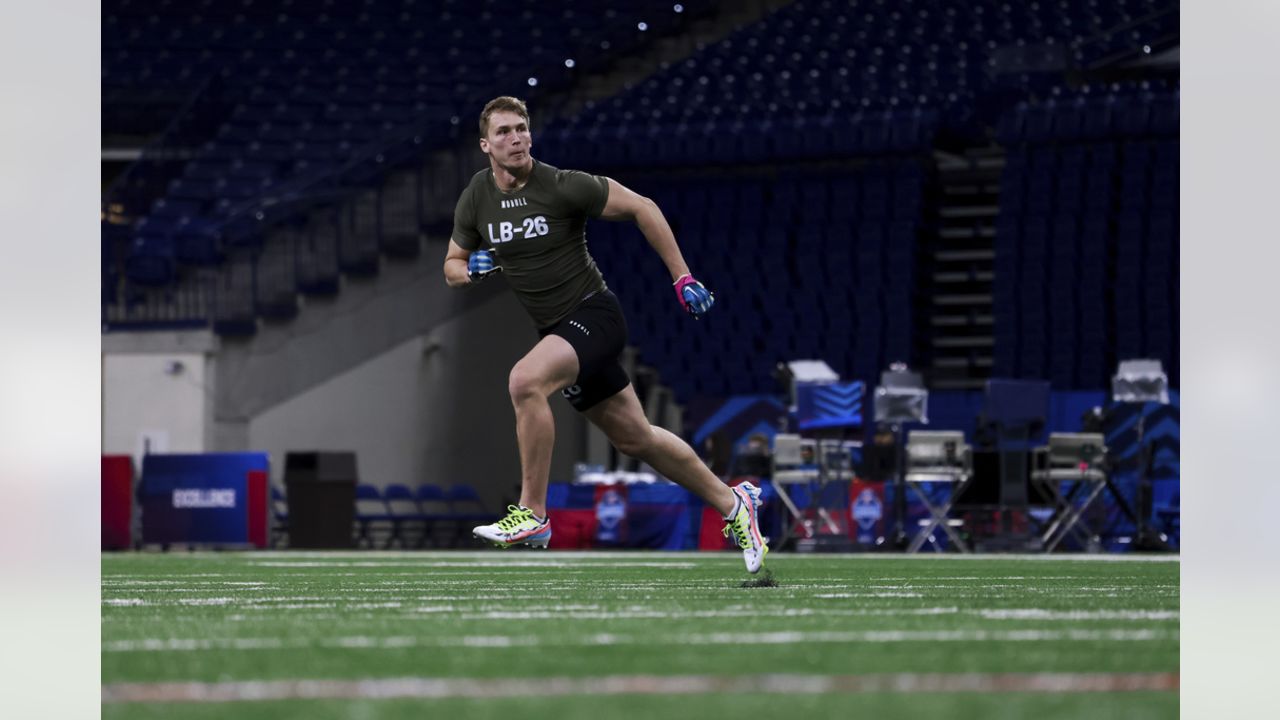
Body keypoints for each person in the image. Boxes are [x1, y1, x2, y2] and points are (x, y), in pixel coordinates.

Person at [443, 96, 768, 573]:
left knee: (525, 381)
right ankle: (734, 503)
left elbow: (643, 207)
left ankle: (533, 513)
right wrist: (472, 268)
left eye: (521, 129)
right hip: (558, 330)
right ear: (485, 144)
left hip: (595, 316)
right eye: (504, 132)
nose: (515, 138)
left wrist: (682, 277)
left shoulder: (561, 185)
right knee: (637, 438)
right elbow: (451, 266)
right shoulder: (477, 195)